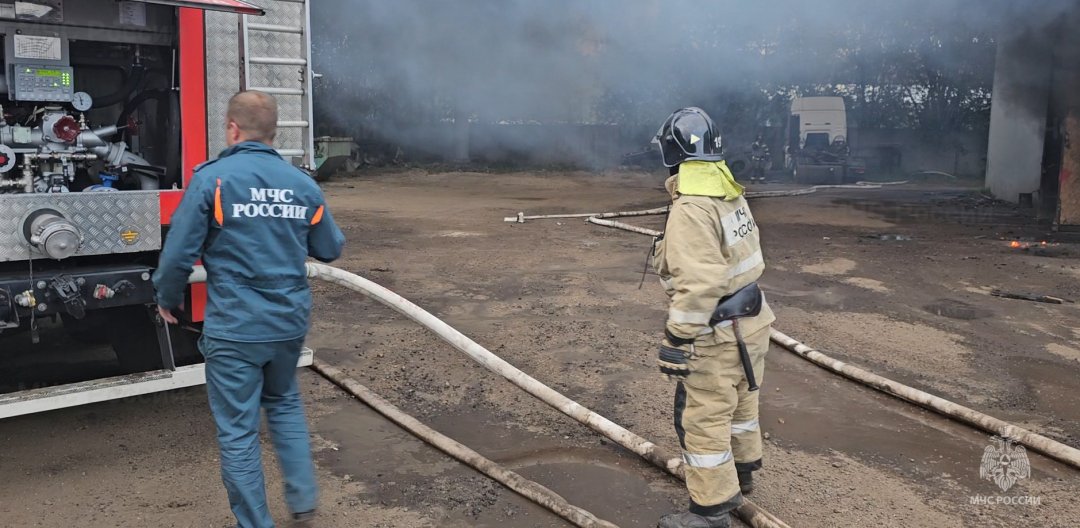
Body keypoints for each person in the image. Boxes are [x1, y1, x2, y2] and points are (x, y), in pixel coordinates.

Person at [152, 90, 346, 528]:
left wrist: (166, 298)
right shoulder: (302, 183)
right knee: (283, 402)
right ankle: (303, 503)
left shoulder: (213, 179)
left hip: (235, 328)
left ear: (233, 129)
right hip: (286, 324)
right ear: (273, 133)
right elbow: (330, 248)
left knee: (238, 431)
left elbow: (179, 254)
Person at [649, 107, 775, 528]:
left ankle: (711, 514)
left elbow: (701, 283)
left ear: (672, 152)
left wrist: (677, 339)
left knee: (703, 418)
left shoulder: (691, 209)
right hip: (753, 321)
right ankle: (741, 474)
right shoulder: (729, 192)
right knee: (741, 403)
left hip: (717, 333)